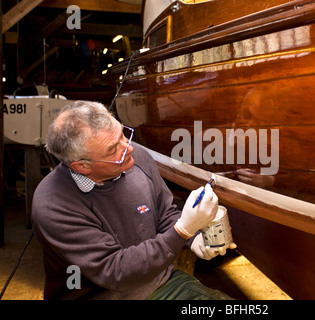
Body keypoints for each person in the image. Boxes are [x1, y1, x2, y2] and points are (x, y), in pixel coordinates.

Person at [32, 100, 235, 300]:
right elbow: (116, 272)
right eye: (113, 149)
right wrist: (182, 230)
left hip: (158, 282)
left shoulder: (136, 158)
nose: (128, 148)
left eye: (122, 134)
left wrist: (194, 239)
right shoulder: (53, 204)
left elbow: (164, 214)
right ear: (82, 167)